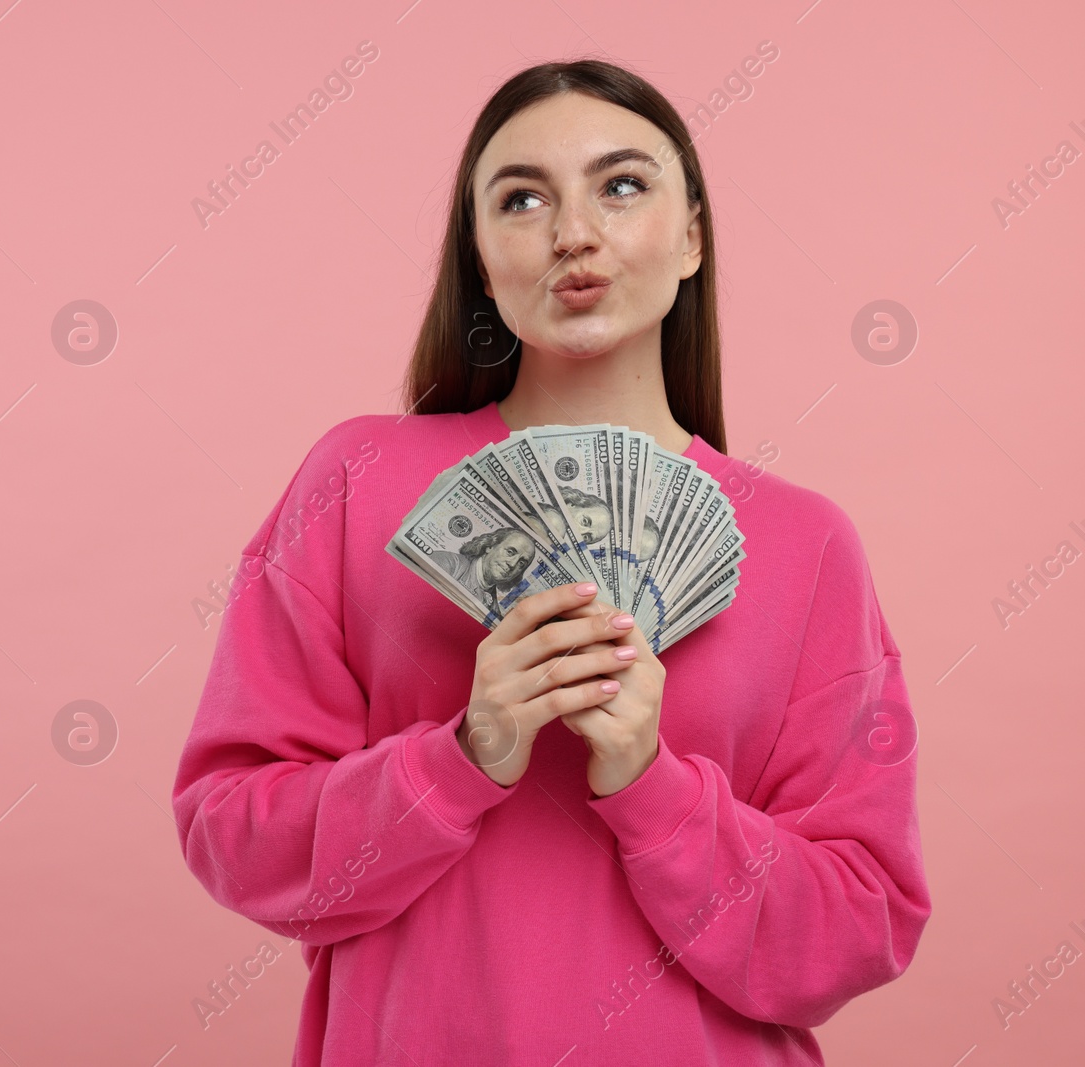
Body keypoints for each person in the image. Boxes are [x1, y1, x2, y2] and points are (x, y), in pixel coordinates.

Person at [171, 58, 930, 1066]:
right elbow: (233, 833)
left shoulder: (807, 543)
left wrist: (649, 785)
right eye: (521, 197)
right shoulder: (354, 479)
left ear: (692, 235)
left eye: (621, 184)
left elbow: (857, 925)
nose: (573, 231)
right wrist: (461, 756)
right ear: (481, 260)